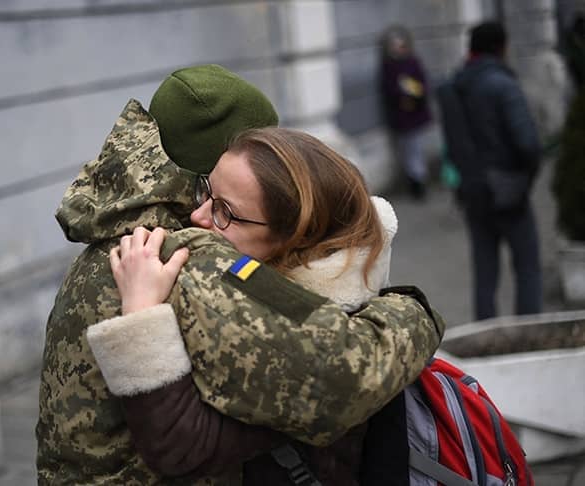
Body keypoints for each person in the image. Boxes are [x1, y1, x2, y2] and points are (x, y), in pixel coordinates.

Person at [36, 64, 445, 484]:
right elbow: (347, 374)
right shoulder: (187, 256)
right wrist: (413, 308)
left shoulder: (118, 227)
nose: (204, 215)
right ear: (209, 166)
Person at [89, 126, 413, 484]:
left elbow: (179, 446)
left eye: (225, 212)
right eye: (206, 192)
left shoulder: (306, 338)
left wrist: (140, 312)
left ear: (297, 237)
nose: (198, 216)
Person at [437, 21, 542, 320]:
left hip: (472, 190)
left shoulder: (452, 87)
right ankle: (529, 334)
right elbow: (529, 144)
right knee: (527, 267)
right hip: (509, 191)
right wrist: (525, 179)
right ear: (501, 47)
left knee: (485, 270)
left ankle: (486, 335)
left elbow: (452, 144)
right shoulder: (503, 85)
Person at [379, 25, 433, 200]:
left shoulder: (412, 63)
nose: (398, 49)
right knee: (408, 150)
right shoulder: (389, 66)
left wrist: (413, 94)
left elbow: (422, 86)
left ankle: (418, 181)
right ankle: (415, 181)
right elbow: (389, 89)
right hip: (401, 117)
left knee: (415, 149)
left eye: (401, 45)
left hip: (414, 115)